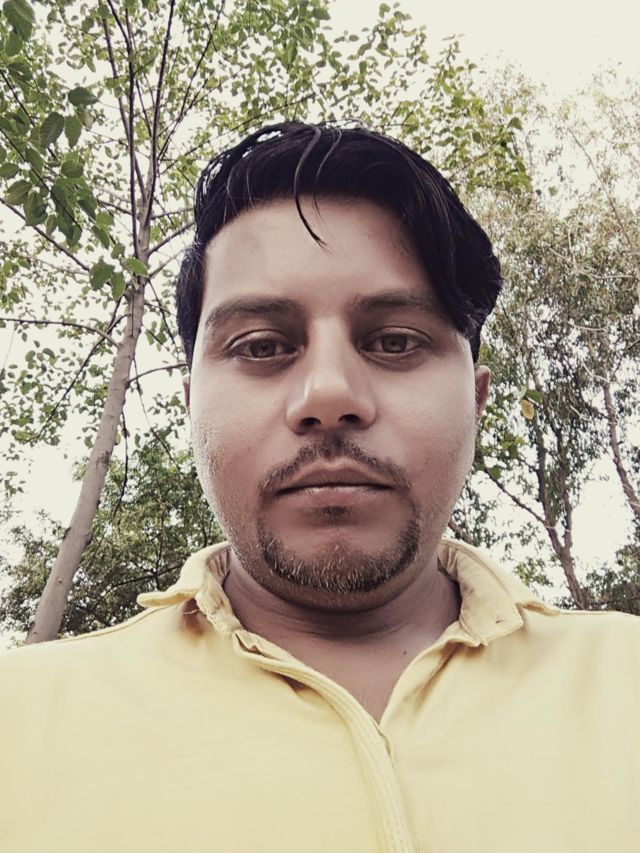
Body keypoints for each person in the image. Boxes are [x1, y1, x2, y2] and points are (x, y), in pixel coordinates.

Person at [1, 122, 639, 853]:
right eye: (262, 346)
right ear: (192, 405)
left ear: (477, 398)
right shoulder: (19, 724)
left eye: (394, 341)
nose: (329, 395)